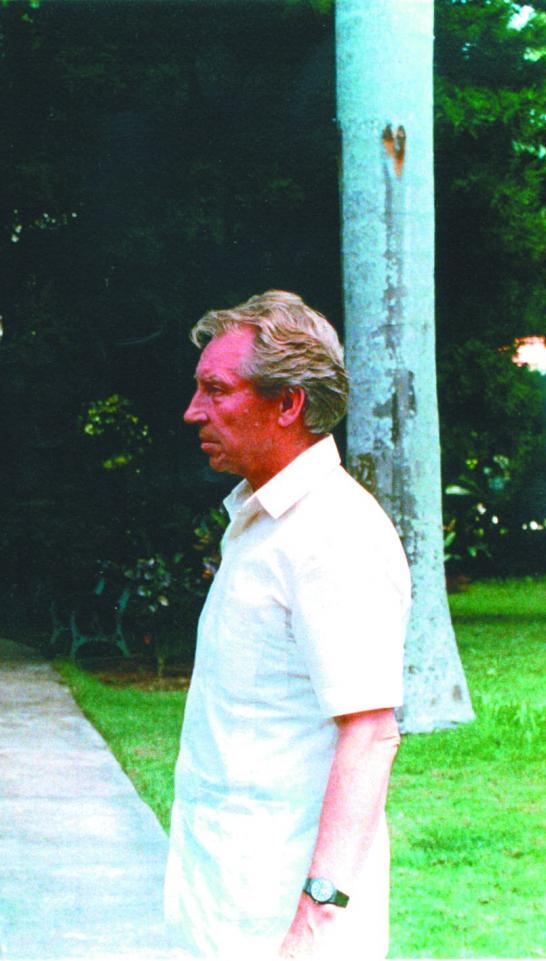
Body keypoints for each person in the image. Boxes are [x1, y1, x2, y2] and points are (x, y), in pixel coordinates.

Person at [164, 290, 409, 959]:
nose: (194, 411)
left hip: (286, 928)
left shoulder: (335, 533)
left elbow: (371, 734)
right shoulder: (266, 522)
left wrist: (315, 921)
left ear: (288, 403)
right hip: (227, 905)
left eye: (216, 389)